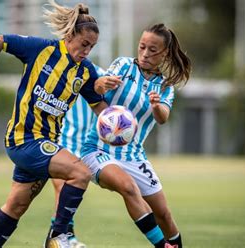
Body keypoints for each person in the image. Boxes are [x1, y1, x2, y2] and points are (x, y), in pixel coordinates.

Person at [0, 1, 121, 247]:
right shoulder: (40, 49)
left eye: (92, 47)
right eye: (84, 44)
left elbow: (99, 108)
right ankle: (59, 236)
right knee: (80, 172)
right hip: (24, 139)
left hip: (46, 144)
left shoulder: (85, 72)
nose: (87, 51)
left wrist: (116, 125)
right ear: (70, 34)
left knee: (15, 206)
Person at [81, 23, 191, 248]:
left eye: (153, 50)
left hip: (134, 156)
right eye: (142, 47)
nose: (145, 54)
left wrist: (156, 105)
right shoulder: (123, 65)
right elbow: (98, 88)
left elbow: (163, 117)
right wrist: (102, 84)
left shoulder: (165, 87)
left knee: (164, 215)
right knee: (128, 188)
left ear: (165, 53)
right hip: (98, 150)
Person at [46, 65, 106, 248]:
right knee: (61, 188)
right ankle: (62, 238)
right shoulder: (62, 71)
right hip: (63, 139)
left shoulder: (101, 74)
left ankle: (60, 237)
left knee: (70, 193)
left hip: (87, 144)